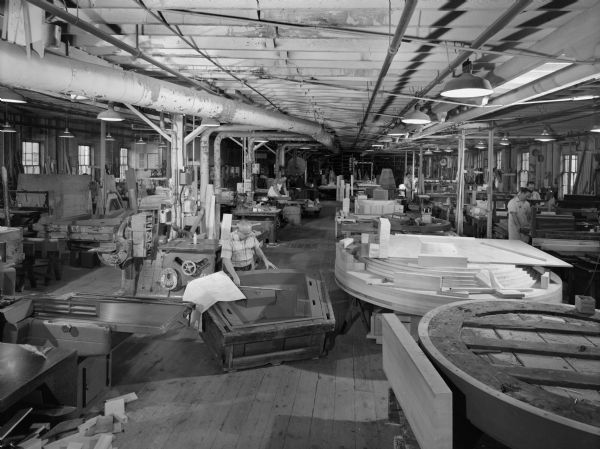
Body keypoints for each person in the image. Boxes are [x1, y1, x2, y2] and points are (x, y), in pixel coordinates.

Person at [221, 220, 277, 285]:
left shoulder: (251, 236)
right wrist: (235, 276)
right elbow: (226, 260)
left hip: (249, 266)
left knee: (248, 286)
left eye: (249, 233)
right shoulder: (229, 239)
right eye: (245, 234)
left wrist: (265, 260)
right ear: (238, 231)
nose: (248, 236)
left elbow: (257, 249)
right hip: (234, 269)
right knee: (236, 288)